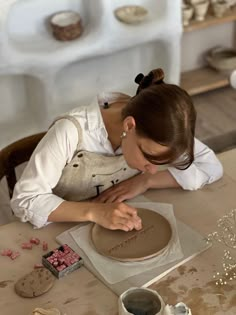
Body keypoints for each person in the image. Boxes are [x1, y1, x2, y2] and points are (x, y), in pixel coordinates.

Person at [11, 68, 223, 231]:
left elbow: (210, 167)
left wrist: (145, 181)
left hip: (115, 221)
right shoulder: (71, 132)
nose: (151, 169)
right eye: (148, 159)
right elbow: (25, 200)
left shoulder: (162, 128)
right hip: (61, 227)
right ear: (129, 126)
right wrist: (95, 212)